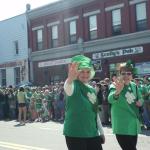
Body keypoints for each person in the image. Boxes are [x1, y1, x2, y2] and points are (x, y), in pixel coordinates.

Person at [63, 55, 105, 150]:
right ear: (76, 72)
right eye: (82, 71)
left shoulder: (92, 89)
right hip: (75, 134)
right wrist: (70, 79)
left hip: (92, 133)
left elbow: (95, 113)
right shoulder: (73, 86)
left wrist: (101, 132)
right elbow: (68, 87)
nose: (85, 74)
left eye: (87, 71)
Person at [108, 60, 143, 150]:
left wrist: (140, 102)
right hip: (121, 125)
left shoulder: (134, 86)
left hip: (133, 125)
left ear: (132, 75)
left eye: (129, 73)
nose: (126, 76)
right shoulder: (115, 85)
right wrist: (117, 92)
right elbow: (110, 99)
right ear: (119, 74)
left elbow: (141, 98)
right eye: (123, 73)